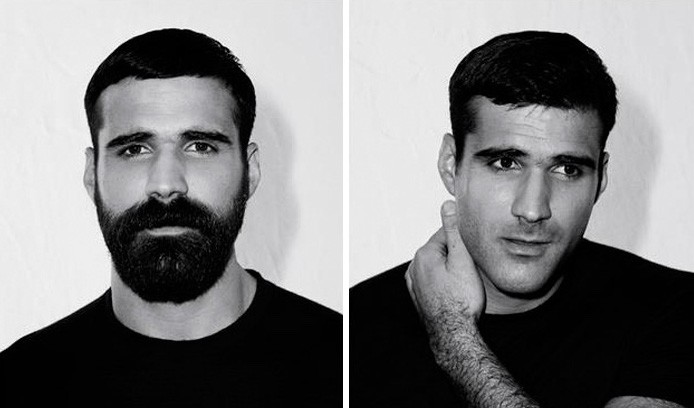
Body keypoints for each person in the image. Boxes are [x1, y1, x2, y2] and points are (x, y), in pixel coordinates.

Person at [351, 31, 694, 408]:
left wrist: (455, 338)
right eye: (506, 163)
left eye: (567, 169)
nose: (533, 209)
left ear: (600, 179)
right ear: (451, 164)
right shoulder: (353, 333)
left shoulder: (673, 309)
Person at [0, 28, 341, 406]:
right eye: (134, 149)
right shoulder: (19, 383)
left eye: (200, 146)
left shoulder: (345, 365)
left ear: (251, 171)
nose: (165, 184)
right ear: (92, 175)